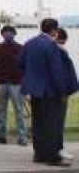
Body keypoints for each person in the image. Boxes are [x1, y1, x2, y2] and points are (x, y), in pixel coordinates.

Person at [20, 19, 78, 167]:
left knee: (38, 122)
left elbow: (20, 63)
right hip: (50, 91)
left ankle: (39, 154)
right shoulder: (51, 46)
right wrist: (62, 91)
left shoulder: (29, 43)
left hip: (35, 90)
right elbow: (56, 71)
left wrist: (30, 79)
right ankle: (53, 156)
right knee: (52, 124)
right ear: (54, 30)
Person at [0, 25, 27, 146]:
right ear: (2, 34)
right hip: (2, 82)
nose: (7, 34)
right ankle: (0, 136)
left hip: (16, 83)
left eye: (10, 32)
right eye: (5, 32)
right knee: (0, 111)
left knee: (19, 111)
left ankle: (22, 137)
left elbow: (24, 65)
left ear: (14, 34)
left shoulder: (20, 48)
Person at [55, 28, 77, 162]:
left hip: (55, 92)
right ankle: (58, 148)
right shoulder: (60, 52)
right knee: (58, 121)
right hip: (60, 92)